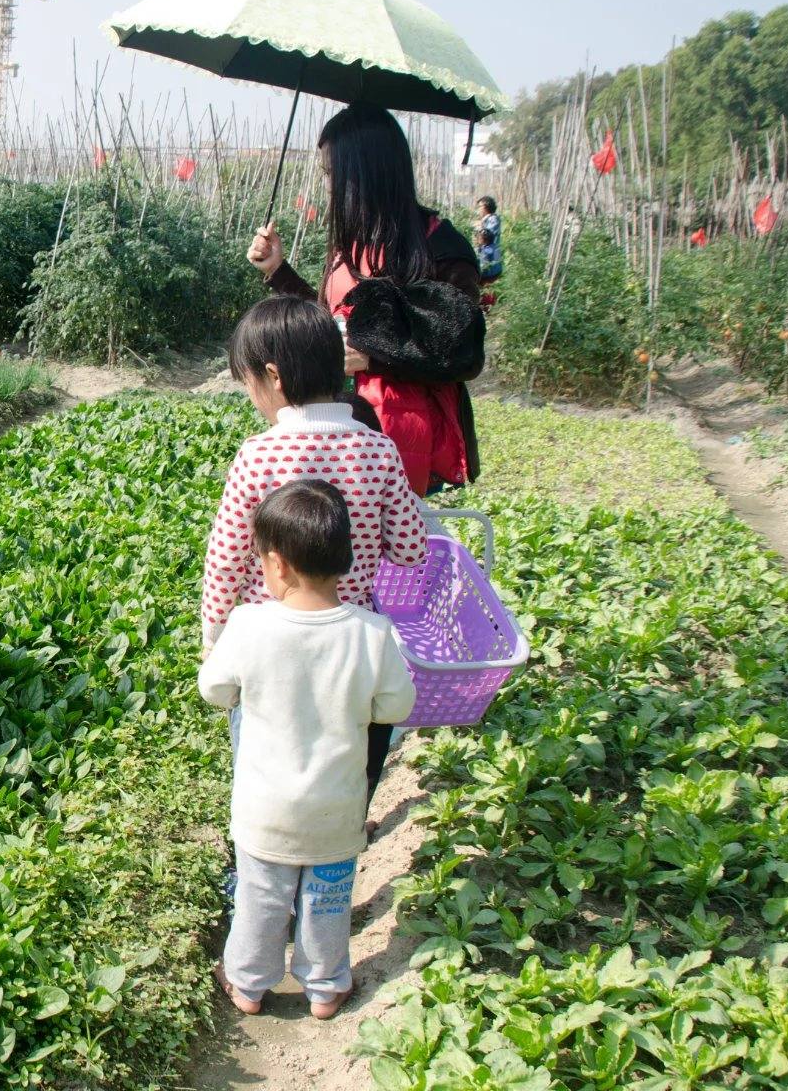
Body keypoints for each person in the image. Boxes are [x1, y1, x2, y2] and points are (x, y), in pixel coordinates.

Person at [199, 480, 417, 1019]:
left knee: (260, 898)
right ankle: (326, 987)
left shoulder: (250, 625)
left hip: (264, 810)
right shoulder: (372, 633)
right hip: (336, 808)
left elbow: (215, 689)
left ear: (276, 565)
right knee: (327, 902)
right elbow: (397, 706)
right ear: (345, 557)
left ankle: (248, 984)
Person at [202, 295, 427, 801]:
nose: (251, 396)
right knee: (349, 752)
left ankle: (256, 856)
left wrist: (215, 635)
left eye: (249, 384)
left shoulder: (258, 455)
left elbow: (226, 559)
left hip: (270, 645)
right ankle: (343, 836)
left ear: (274, 376)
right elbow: (412, 550)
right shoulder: (379, 449)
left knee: (261, 760)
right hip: (352, 641)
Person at [247, 104, 487, 496]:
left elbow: (462, 352)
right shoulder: (351, 244)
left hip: (403, 429)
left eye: (331, 173)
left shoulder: (441, 248)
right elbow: (330, 322)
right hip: (339, 419)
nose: (327, 185)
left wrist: (375, 356)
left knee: (391, 541)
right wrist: (279, 271)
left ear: (363, 172)